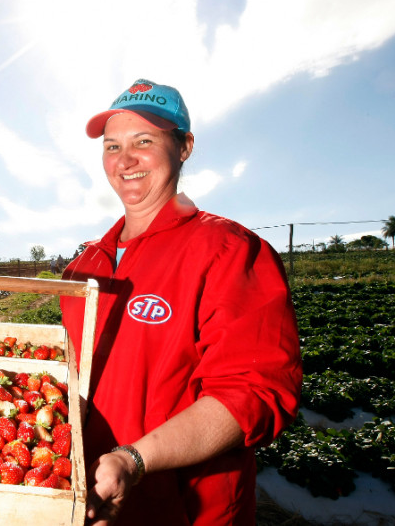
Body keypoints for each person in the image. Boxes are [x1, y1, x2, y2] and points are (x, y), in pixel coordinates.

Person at [59, 79, 302, 525]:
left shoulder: (227, 251)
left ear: (185, 146)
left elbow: (254, 392)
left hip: (184, 509)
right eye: (112, 146)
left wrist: (134, 460)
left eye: (144, 142)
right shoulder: (83, 268)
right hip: (87, 501)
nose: (125, 160)